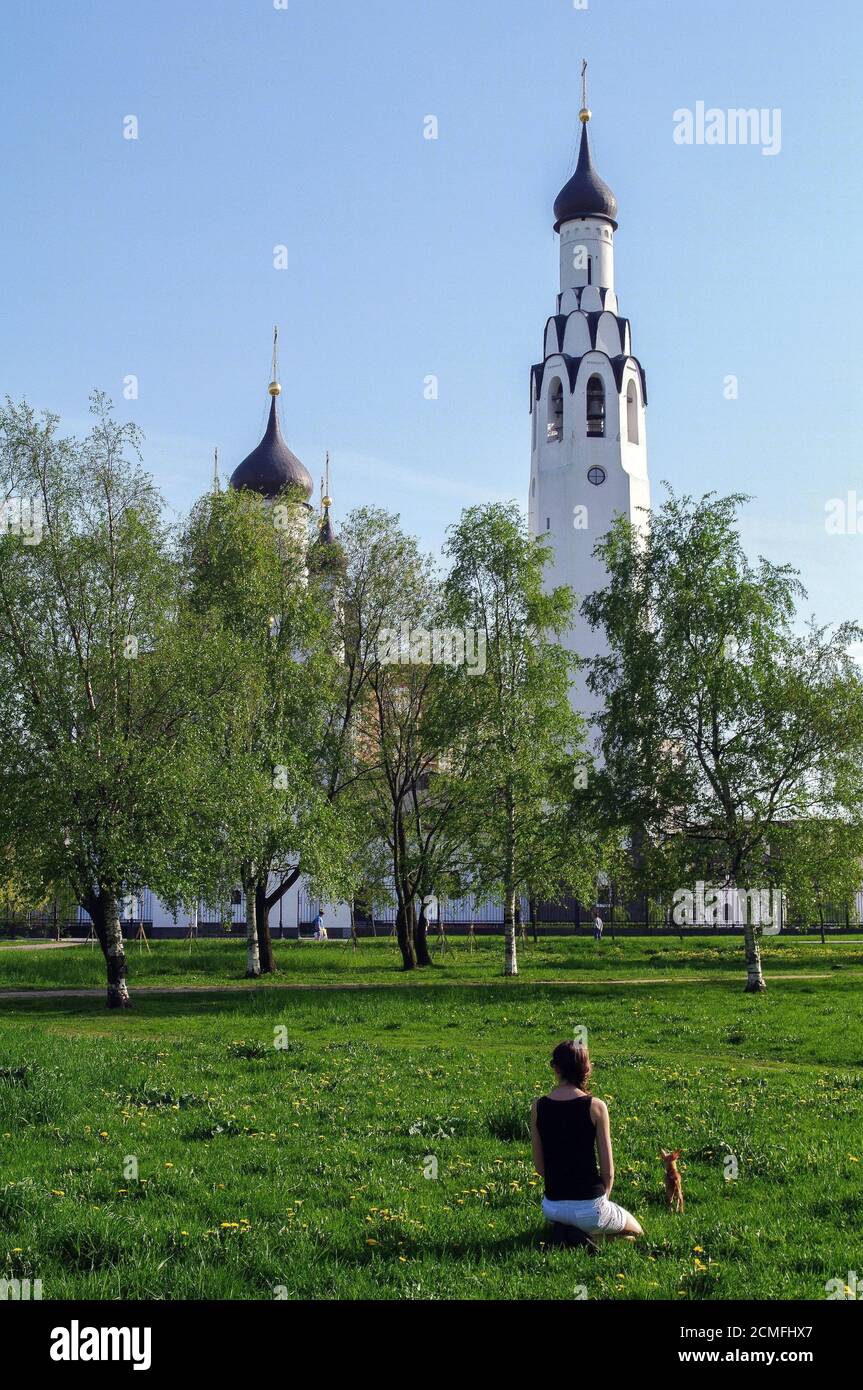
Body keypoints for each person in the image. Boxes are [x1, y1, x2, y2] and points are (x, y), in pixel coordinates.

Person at [531, 1040, 643, 1242]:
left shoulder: (538, 1106)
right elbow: (608, 1172)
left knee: (573, 1219)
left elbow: (540, 1167)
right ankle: (591, 1236)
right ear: (586, 1069)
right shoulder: (596, 1107)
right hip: (589, 1207)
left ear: (556, 1068)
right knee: (636, 1232)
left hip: (552, 1207)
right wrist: (602, 1202)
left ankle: (567, 1232)